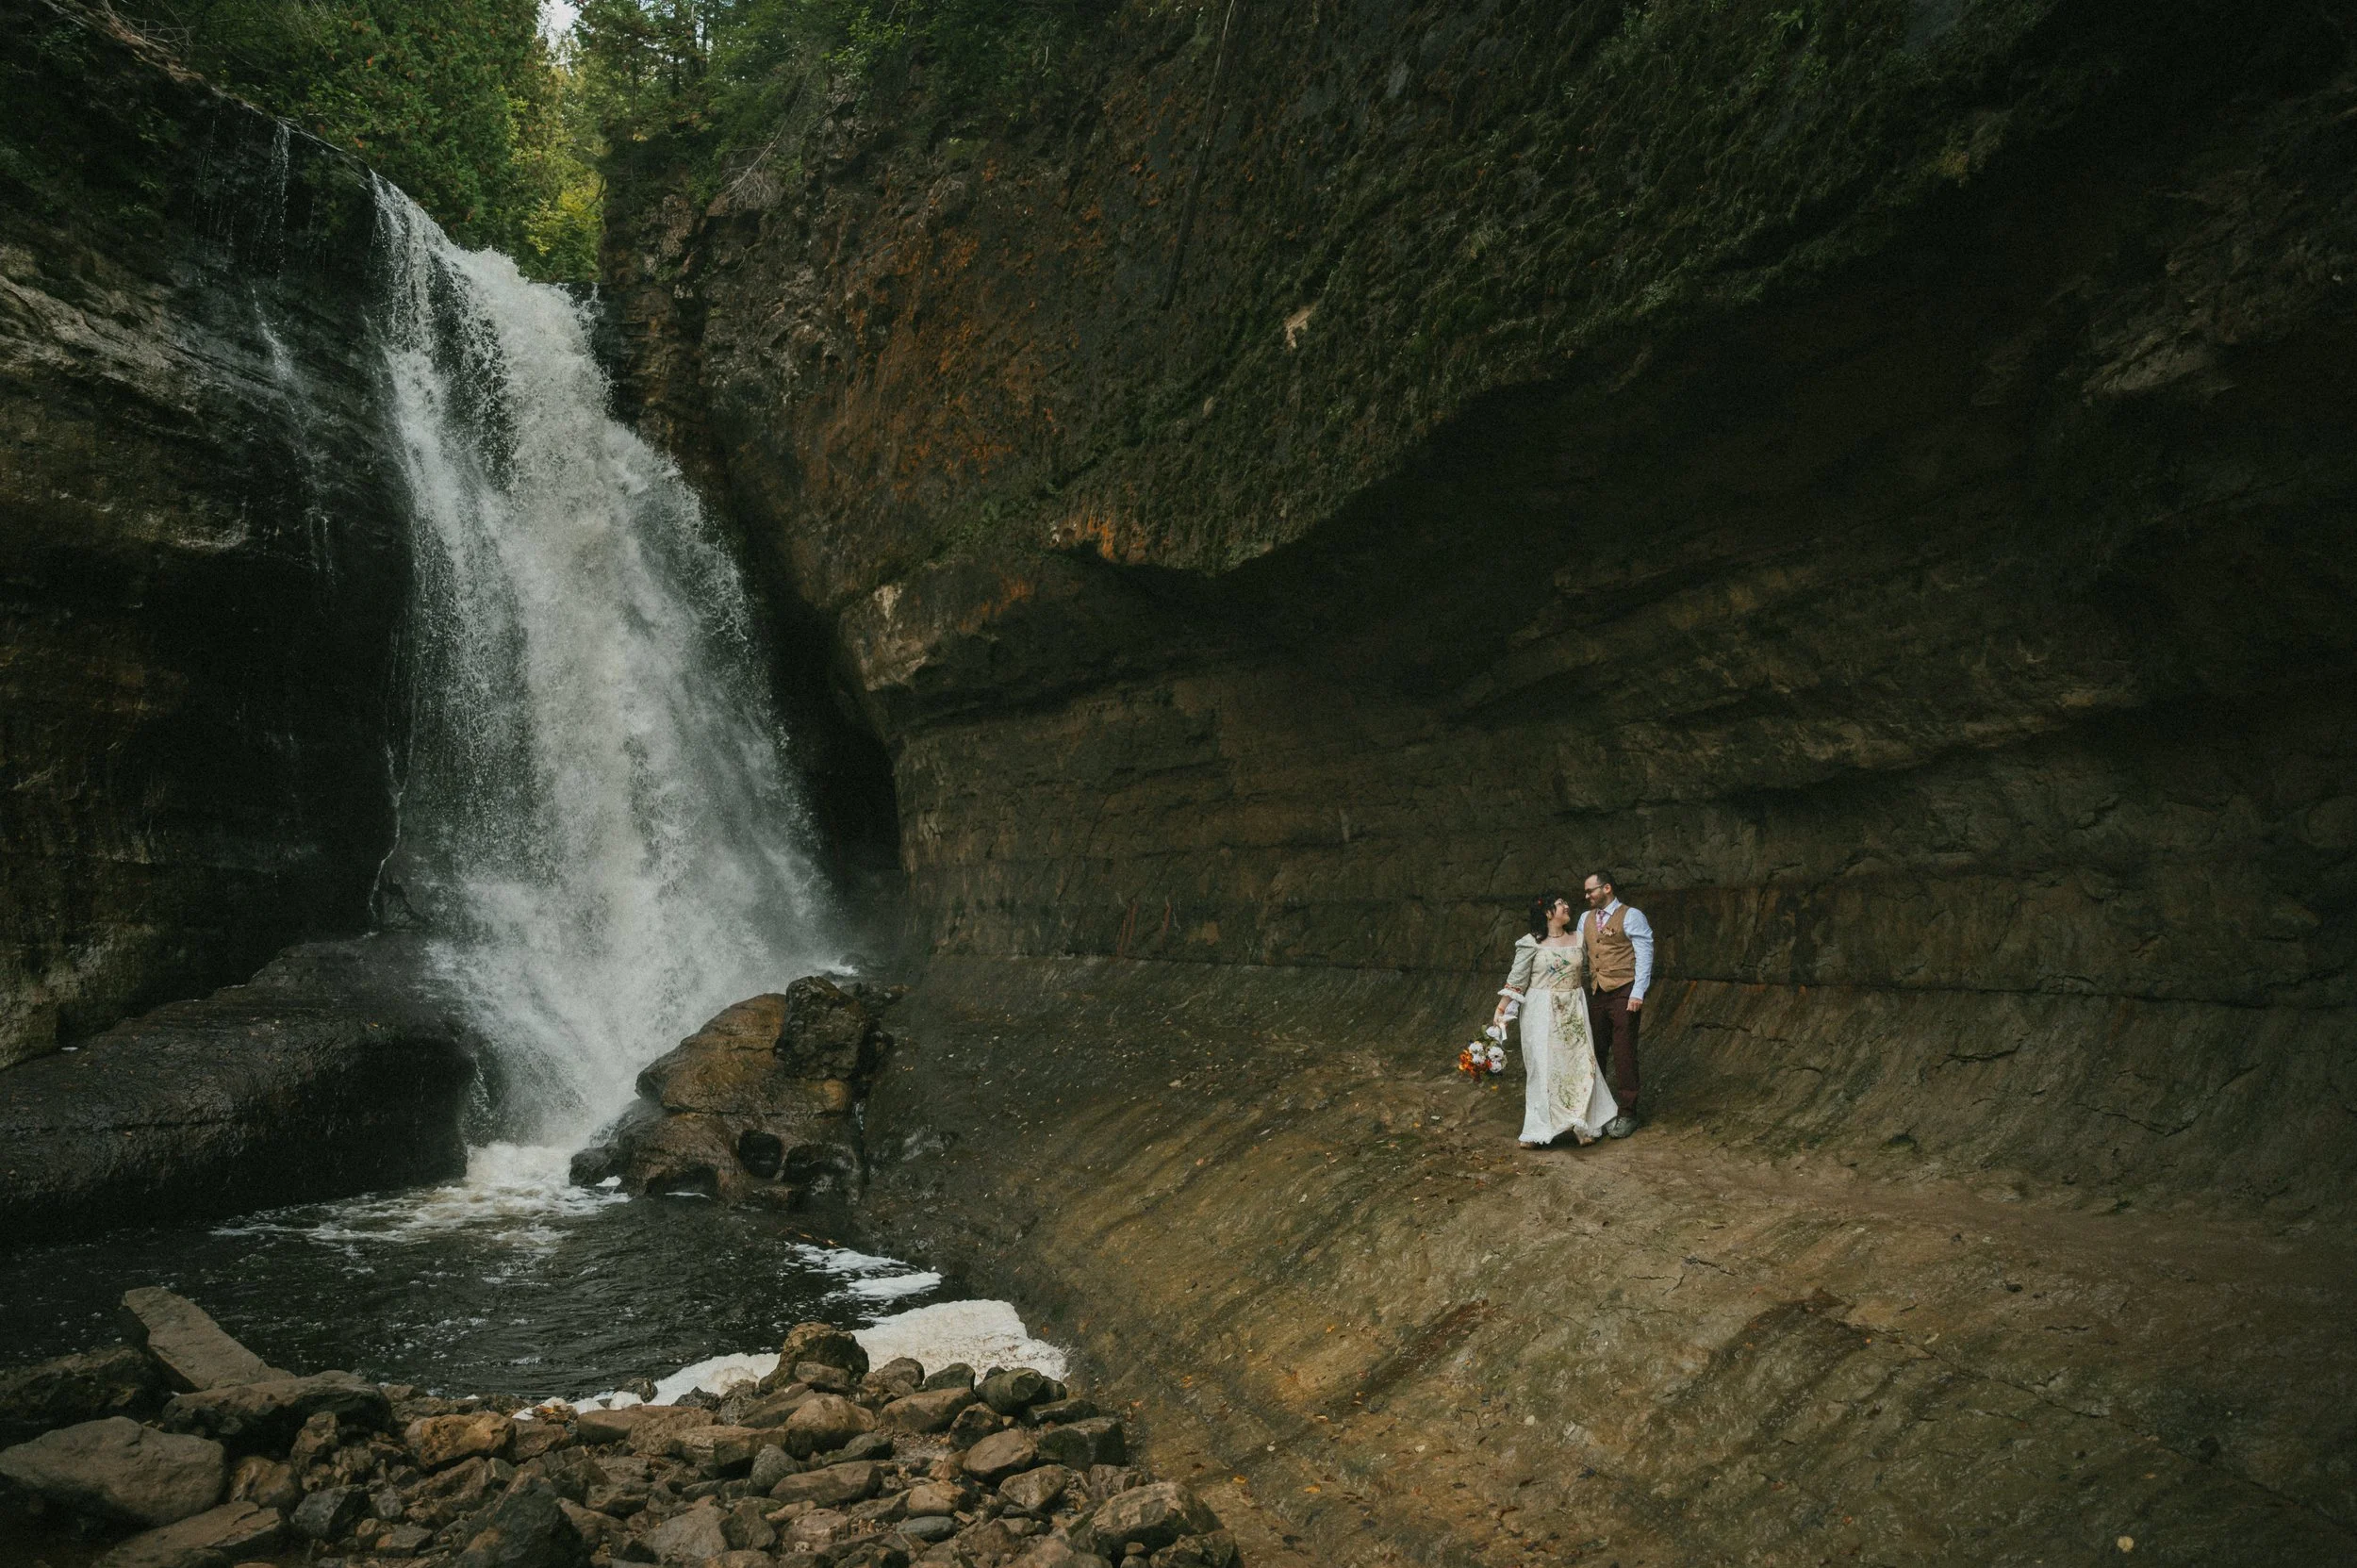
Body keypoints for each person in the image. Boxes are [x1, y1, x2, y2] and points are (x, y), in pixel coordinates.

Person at [1493, 892, 1620, 1147]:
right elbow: (1516, 980)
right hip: (1541, 1010)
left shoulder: (1579, 939)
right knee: (1543, 1068)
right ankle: (1538, 1130)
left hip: (1573, 1007)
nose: (1566, 906)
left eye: (1565, 903)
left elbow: (1590, 969)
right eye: (1560, 904)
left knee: (1581, 1065)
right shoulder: (1531, 943)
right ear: (1548, 913)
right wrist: (1501, 1010)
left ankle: (1580, 1124)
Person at [1580, 870, 1650, 1138]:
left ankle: (1628, 1113)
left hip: (1624, 991)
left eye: (1591, 891)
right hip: (1597, 991)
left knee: (1624, 1051)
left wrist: (1638, 993)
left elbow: (1644, 955)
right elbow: (1580, 954)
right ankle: (1597, 1110)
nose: (1587, 896)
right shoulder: (1585, 919)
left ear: (1606, 888)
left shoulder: (1632, 916)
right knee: (1595, 1051)